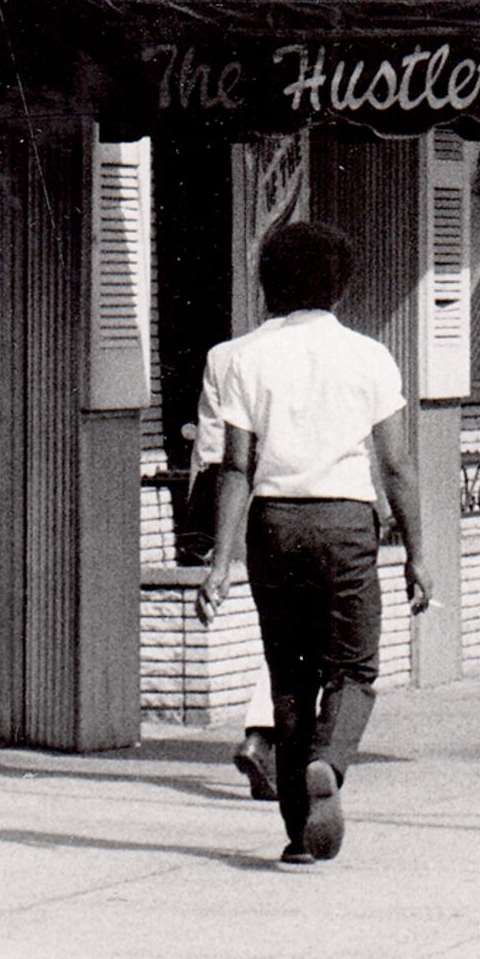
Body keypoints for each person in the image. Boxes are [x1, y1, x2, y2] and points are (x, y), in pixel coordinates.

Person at [194, 221, 433, 866]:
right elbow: (399, 466)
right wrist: (418, 553)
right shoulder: (369, 356)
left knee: (289, 679)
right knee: (353, 669)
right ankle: (330, 760)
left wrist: (221, 564)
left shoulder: (243, 357)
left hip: (273, 527)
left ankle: (300, 835)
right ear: (339, 284)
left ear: (269, 283)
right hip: (345, 523)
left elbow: (235, 466)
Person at [190, 329, 279, 803]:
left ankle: (267, 737)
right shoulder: (312, 351)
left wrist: (217, 551)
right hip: (295, 504)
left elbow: (210, 447)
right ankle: (266, 736)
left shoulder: (223, 355)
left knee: (280, 628)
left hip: (235, 504)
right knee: (307, 634)